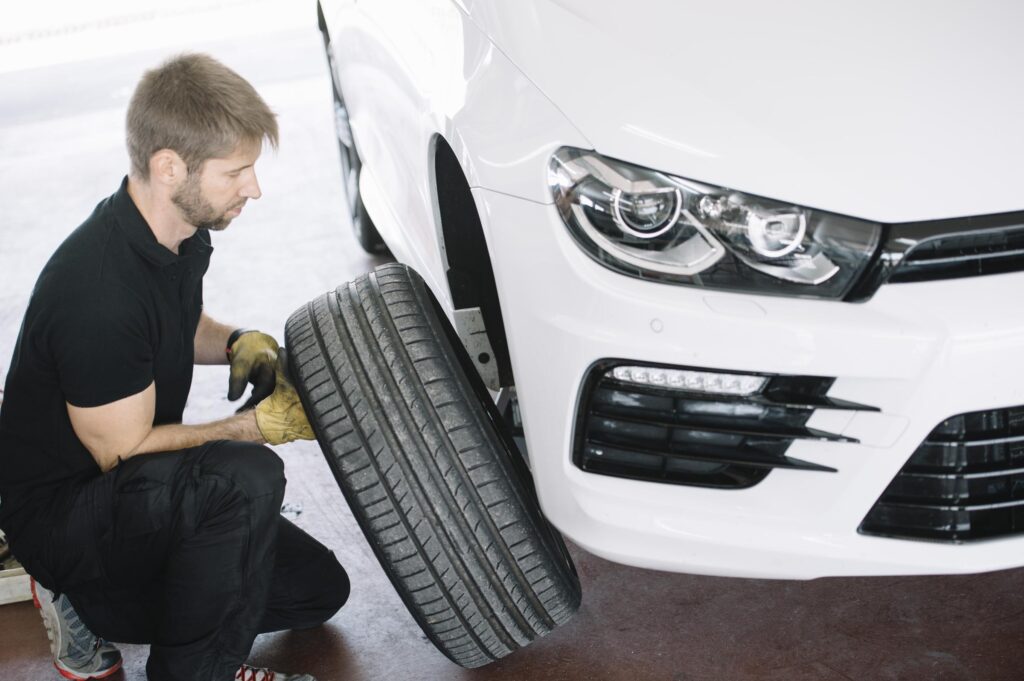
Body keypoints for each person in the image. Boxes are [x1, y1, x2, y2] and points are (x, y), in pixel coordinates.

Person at [0, 53, 349, 681]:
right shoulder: (97, 292)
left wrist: (238, 339)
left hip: (134, 495)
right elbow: (124, 451)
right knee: (242, 479)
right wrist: (253, 428)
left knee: (317, 589)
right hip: (68, 515)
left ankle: (98, 605)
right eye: (237, 171)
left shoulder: (181, 231)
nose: (254, 188)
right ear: (170, 166)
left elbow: (177, 322)